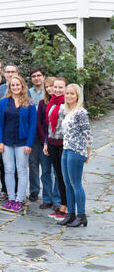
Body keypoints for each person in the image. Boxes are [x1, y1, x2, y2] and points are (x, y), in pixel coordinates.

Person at [0, 76, 36, 213]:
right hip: (6, 141)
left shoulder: (29, 104)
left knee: (22, 170)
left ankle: (19, 200)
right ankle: (11, 199)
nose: (15, 87)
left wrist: (29, 144)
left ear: (22, 86)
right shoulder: (3, 102)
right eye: (12, 85)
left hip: (22, 142)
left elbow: (33, 126)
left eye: (17, 85)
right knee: (8, 170)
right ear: (9, 87)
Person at [58, 84, 92, 227]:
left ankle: (81, 215)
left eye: (72, 94)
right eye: (67, 93)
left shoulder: (80, 113)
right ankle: (70, 214)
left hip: (76, 151)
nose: (69, 96)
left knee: (76, 184)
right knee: (67, 184)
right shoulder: (66, 111)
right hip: (66, 149)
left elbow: (87, 134)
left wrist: (88, 152)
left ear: (77, 95)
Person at [43, 77, 68, 220]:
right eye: (55, 87)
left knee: (66, 177)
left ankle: (67, 207)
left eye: (60, 88)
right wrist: (46, 143)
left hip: (64, 144)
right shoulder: (52, 103)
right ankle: (62, 207)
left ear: (65, 88)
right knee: (59, 175)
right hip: (52, 143)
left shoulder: (68, 103)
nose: (57, 90)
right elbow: (49, 126)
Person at [0, 63, 19, 201]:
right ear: (4, 74)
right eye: (8, 72)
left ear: (17, 73)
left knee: (18, 166)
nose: (10, 74)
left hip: (19, 134)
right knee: (5, 165)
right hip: (4, 133)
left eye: (13, 72)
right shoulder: (0, 90)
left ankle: (17, 191)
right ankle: (5, 190)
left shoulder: (23, 90)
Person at [36, 77, 62, 210]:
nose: (49, 89)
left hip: (57, 142)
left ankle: (58, 200)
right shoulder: (43, 103)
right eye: (47, 87)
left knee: (57, 172)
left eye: (51, 86)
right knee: (45, 171)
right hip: (44, 142)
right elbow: (40, 122)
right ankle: (47, 198)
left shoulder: (62, 104)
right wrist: (44, 140)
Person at [27, 67, 45, 202]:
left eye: (39, 75)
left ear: (43, 77)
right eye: (34, 76)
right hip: (32, 132)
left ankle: (48, 193)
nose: (36, 78)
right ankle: (34, 190)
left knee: (46, 165)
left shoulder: (49, 91)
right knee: (32, 163)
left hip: (45, 133)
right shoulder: (28, 92)